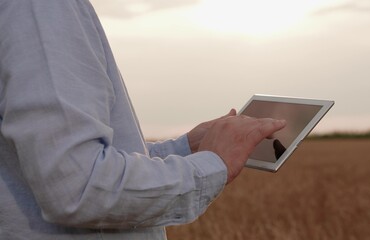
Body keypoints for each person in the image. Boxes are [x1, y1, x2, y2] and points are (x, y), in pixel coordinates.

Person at [0, 1, 286, 239]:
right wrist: (212, 164)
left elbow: (54, 165)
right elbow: (79, 187)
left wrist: (186, 147)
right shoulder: (40, 7)